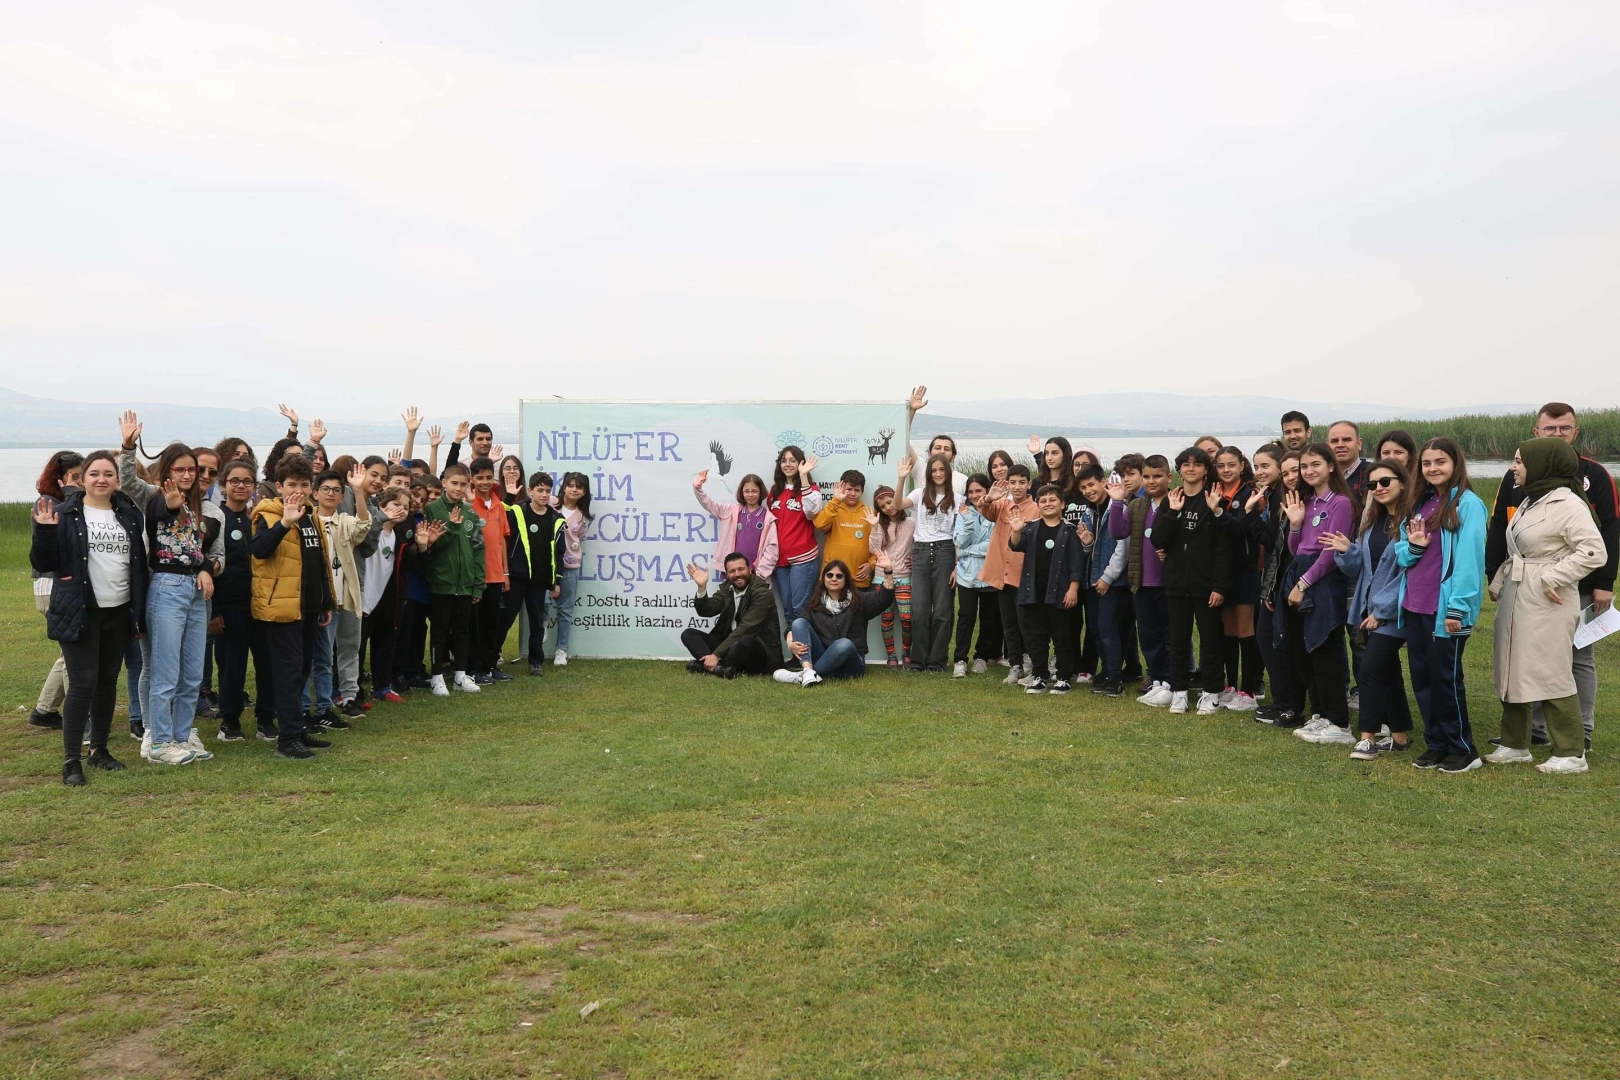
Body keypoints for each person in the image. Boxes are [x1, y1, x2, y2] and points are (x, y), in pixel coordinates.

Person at [1485, 402, 1618, 751]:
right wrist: (1496, 578)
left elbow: (1600, 543)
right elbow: (1501, 530)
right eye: (1550, 429)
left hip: (1559, 591)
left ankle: (1576, 741)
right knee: (1519, 659)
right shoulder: (1530, 496)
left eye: (1519, 461)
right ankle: (1523, 738)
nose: (1513, 467)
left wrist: (1563, 578)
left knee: (1564, 662)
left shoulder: (1573, 497)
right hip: (1523, 590)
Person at [30, 451, 149, 783]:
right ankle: (72, 760)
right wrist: (45, 532)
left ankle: (99, 749)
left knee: (107, 681)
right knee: (83, 683)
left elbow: (138, 565)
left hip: (119, 610)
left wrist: (138, 614)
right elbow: (44, 562)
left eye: (108, 474)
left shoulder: (129, 514)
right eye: (94, 473)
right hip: (79, 611)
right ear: (82, 479)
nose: (101, 479)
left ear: (117, 480)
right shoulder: (64, 513)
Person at [1395, 437, 1488, 773]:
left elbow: (1470, 561)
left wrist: (1458, 608)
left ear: (1455, 463)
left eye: (1440, 462)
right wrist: (1414, 547)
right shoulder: (1421, 503)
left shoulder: (1468, 505)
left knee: (1445, 680)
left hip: (1444, 610)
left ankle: (1463, 749)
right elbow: (1402, 553)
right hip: (1415, 605)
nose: (1432, 468)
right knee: (1422, 679)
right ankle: (1436, 745)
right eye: (1426, 463)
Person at [1321, 459, 1415, 759]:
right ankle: (1400, 738)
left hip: (1394, 613)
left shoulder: (1412, 523)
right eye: (1373, 484)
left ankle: (1367, 738)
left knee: (1371, 670)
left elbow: (1409, 575)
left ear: (1403, 482)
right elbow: (1359, 569)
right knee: (1388, 672)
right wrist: (1346, 551)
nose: (1379, 488)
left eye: (1385, 482)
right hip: (1367, 611)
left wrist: (1382, 611)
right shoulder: (1373, 522)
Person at [137, 442, 220, 765]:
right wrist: (172, 506)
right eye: (180, 469)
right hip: (167, 586)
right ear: (167, 470)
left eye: (192, 470)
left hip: (195, 590)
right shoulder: (158, 499)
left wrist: (206, 568)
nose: (187, 475)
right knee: (165, 671)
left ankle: (182, 737)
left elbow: (197, 550)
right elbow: (162, 511)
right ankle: (160, 742)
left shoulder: (200, 508)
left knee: (192, 672)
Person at [250, 454, 337, 759]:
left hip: (309, 607)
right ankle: (287, 740)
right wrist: (285, 523)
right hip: (282, 607)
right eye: (291, 485)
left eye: (303, 484)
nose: (297, 491)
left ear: (311, 487)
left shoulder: (311, 516)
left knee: (302, 670)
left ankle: (297, 729)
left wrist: (325, 602)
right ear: (279, 486)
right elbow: (259, 550)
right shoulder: (268, 514)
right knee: (287, 673)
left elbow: (318, 562)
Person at [1283, 443, 1358, 746]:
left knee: (1324, 647)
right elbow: (1296, 549)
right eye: (1304, 466)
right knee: (1304, 650)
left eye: (1315, 464)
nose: (1309, 471)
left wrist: (1303, 584)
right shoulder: (1307, 501)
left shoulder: (1340, 503)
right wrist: (1295, 525)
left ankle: (1339, 722)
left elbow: (1330, 555)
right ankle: (1321, 714)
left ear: (1330, 466)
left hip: (1322, 580)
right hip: (1302, 571)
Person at [1152, 448, 1230, 715]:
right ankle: (1179, 692)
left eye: (1197, 464)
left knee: (1210, 640)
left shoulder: (1213, 499)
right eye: (1186, 464)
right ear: (1180, 469)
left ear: (1206, 470)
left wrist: (1219, 586)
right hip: (1176, 582)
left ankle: (1211, 693)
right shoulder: (1172, 499)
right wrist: (1173, 513)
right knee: (1178, 640)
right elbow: (1157, 539)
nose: (1191, 468)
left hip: (1206, 584)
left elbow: (1223, 548)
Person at [1240, 445, 1304, 726]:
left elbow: (1277, 544)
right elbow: (1270, 543)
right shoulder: (1274, 495)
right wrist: (1253, 511)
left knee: (1278, 643)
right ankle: (1282, 701)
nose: (1260, 471)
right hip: (1275, 582)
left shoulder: (1288, 498)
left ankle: (1290, 704)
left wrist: (1250, 513)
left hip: (1289, 583)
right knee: (1268, 640)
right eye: (1256, 466)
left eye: (1265, 466)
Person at [212, 460, 275, 742]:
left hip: (261, 605)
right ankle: (230, 721)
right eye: (234, 480)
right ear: (224, 484)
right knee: (231, 667)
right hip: (229, 607)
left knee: (267, 664)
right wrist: (214, 611)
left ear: (254, 486)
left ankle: (266, 719)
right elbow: (209, 566)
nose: (240, 486)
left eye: (247, 481)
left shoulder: (258, 519)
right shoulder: (215, 519)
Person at [1006, 484, 1084, 694]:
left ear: (1062, 504)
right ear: (1038, 505)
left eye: (1052, 500)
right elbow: (1016, 545)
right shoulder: (1030, 528)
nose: (1048, 504)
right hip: (1034, 592)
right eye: (1043, 500)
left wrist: (1073, 589)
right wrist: (1016, 530)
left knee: (1062, 637)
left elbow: (1076, 562)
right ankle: (1039, 676)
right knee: (1036, 637)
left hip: (1060, 593)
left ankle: (1064, 677)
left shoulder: (1069, 530)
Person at [1110, 456, 1173, 706]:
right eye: (1146, 477)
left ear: (1169, 477)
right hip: (1142, 582)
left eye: (1157, 476)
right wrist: (1117, 502)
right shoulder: (1137, 505)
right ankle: (1156, 680)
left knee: (1170, 636)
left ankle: (1171, 682)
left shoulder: (1175, 502)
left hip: (1169, 583)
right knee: (1149, 636)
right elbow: (1118, 531)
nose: (1151, 481)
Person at [28, 450, 84, 731]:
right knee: (74, 654)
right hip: (54, 584)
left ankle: (44, 710)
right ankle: (80, 716)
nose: (80, 482)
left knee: (67, 653)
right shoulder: (51, 504)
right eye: (75, 476)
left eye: (82, 476)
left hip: (54, 584)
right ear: (59, 478)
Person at [778, 559, 895, 685]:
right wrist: (790, 643)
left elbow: (884, 599)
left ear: (846, 579)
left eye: (839, 576)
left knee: (844, 644)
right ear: (824, 578)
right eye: (829, 575)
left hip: (851, 664)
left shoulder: (859, 600)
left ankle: (805, 675)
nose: (834, 579)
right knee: (799, 622)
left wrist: (888, 572)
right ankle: (807, 670)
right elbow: (796, 625)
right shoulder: (816, 603)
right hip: (825, 658)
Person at [895, 452, 960, 673]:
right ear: (929, 473)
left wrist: (957, 566)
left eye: (942, 470)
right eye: (934, 470)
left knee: (942, 611)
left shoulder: (958, 499)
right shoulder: (919, 494)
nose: (938, 474)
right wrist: (901, 479)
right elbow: (897, 505)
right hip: (921, 552)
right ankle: (918, 660)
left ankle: (937, 661)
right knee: (920, 610)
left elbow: (959, 535)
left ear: (948, 472)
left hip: (945, 551)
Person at [424, 463, 485, 695]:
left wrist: (478, 584)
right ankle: (437, 677)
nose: (458, 488)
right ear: (444, 483)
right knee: (440, 631)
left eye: (463, 484)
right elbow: (432, 546)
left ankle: (460, 675)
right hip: (442, 582)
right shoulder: (432, 509)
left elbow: (478, 548)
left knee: (462, 631)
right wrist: (452, 528)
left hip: (466, 583)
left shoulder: (470, 512)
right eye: (454, 483)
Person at [1211, 446, 1261, 711]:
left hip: (1244, 570)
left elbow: (1241, 528)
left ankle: (1248, 690)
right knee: (1228, 631)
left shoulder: (1250, 492)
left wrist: (1219, 511)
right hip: (1221, 571)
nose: (1226, 470)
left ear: (1242, 465)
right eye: (1221, 465)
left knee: (1245, 631)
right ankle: (1230, 686)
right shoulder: (1214, 491)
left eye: (1231, 465)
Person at [980, 465, 1035, 685]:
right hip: (1002, 574)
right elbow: (984, 510)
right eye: (1013, 482)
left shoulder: (1036, 509)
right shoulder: (1002, 504)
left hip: (1023, 575)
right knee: (1009, 623)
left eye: (1022, 482)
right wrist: (989, 497)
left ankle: (1034, 663)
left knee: (1027, 623)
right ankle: (1015, 665)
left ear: (1029, 484)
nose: (1017, 486)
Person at [681, 553, 778, 678]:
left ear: (750, 569)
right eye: (732, 571)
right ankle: (720, 669)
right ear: (727, 574)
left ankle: (710, 666)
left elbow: (745, 628)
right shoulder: (728, 587)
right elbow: (707, 611)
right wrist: (702, 588)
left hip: (758, 652)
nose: (737, 574)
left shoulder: (762, 594)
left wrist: (716, 655)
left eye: (741, 569)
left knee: (745, 640)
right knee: (689, 634)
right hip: (730, 647)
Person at [765, 446, 824, 643]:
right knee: (789, 610)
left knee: (801, 609)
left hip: (803, 559)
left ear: (801, 463)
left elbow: (812, 512)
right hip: (780, 560)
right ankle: (798, 654)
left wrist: (804, 477)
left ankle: (808, 653)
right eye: (784, 460)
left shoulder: (811, 491)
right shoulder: (774, 492)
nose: (787, 464)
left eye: (792, 460)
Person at [360, 488, 412, 703]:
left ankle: (382, 687)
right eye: (396, 504)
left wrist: (423, 546)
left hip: (388, 598)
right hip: (363, 597)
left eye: (406, 507)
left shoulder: (401, 536)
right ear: (382, 506)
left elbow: (407, 565)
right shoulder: (370, 528)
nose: (402, 510)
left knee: (385, 642)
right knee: (356, 647)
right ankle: (350, 690)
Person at [511, 472, 566, 676]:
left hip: (540, 579)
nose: (544, 494)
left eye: (547, 491)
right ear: (530, 490)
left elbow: (559, 553)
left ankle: (536, 661)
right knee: (505, 618)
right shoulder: (518, 511)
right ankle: (490, 660)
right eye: (540, 490)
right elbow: (501, 530)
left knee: (537, 622)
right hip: (516, 576)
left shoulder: (556, 519)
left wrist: (556, 581)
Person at [467, 457, 513, 684]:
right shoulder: (468, 505)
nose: (484, 482)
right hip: (475, 576)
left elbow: (502, 540)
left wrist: (505, 573)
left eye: (488, 477)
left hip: (495, 575)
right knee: (475, 625)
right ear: (472, 479)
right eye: (480, 478)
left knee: (492, 624)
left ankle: (490, 665)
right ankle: (474, 668)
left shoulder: (498, 504)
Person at [1084, 466, 1130, 697]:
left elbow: (1123, 547)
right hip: (1093, 579)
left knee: (1108, 629)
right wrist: (1086, 543)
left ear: (1103, 482)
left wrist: (1107, 577)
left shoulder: (1118, 508)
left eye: (1091, 485)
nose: (1088, 490)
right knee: (1095, 628)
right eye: (1083, 487)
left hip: (1113, 581)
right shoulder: (1089, 512)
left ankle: (1115, 678)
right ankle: (1107, 670)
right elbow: (1092, 549)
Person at [951, 475, 1002, 677]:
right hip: (966, 574)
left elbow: (993, 544)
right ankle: (960, 659)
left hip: (989, 572)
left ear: (987, 491)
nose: (974, 495)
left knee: (989, 618)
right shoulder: (963, 512)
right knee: (966, 616)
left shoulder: (995, 511)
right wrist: (968, 521)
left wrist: (967, 550)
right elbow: (959, 542)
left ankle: (981, 657)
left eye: (978, 491)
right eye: (970, 492)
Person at [696, 469, 779, 582]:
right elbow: (709, 504)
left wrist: (760, 575)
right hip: (733, 572)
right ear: (742, 493)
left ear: (761, 492)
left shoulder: (768, 518)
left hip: (756, 574)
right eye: (747, 491)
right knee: (731, 594)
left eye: (754, 491)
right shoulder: (731, 511)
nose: (750, 494)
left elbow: (772, 549)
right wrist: (698, 488)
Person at [868, 484, 914, 666]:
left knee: (907, 618)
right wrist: (874, 527)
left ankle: (906, 653)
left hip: (904, 576)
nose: (888, 507)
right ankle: (891, 657)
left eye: (889, 502)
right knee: (886, 619)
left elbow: (920, 544)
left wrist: (914, 558)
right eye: (883, 506)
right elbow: (874, 549)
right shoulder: (879, 525)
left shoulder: (912, 523)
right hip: (882, 577)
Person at [553, 471, 593, 667]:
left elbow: (579, 538)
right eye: (570, 485)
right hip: (546, 564)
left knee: (566, 609)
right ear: (564, 487)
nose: (574, 489)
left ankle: (562, 649)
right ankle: (541, 625)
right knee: (541, 602)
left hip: (570, 565)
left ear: (584, 492)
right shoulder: (551, 504)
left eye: (579, 487)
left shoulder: (583, 517)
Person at [903, 386, 969, 495]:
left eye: (946, 449)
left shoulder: (963, 480)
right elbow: (903, 440)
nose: (942, 451)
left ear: (953, 456)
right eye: (938, 448)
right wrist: (912, 410)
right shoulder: (920, 469)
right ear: (929, 453)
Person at [813, 470, 873, 588]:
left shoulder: (870, 512)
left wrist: (872, 564)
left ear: (862, 492)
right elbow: (819, 524)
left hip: (859, 578)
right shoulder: (833, 508)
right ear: (841, 488)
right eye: (849, 489)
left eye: (857, 490)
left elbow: (880, 543)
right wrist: (836, 500)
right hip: (833, 577)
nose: (852, 493)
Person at [1327, 421, 1371, 502]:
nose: (1340, 445)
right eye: (1334, 441)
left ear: (1359, 444)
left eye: (1346, 440)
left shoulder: (1372, 473)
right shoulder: (1321, 476)